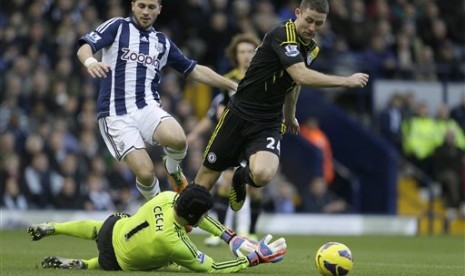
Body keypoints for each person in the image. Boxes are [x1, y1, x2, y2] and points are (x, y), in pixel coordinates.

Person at [192, 0, 369, 212]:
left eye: (319, 23)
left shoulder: (311, 49)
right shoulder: (282, 34)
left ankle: (241, 175)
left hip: (268, 121)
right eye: (309, 20)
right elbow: (300, 75)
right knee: (204, 183)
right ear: (298, 13)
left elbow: (293, 83)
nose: (312, 28)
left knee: (263, 175)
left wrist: (290, 114)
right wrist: (346, 81)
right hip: (238, 114)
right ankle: (182, 223)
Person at [76, 0, 238, 200]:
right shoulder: (117, 26)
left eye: (151, 7)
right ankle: (158, 210)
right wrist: (90, 61)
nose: (145, 11)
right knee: (146, 173)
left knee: (179, 140)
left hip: (146, 107)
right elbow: (85, 46)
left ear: (159, 9)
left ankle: (171, 167)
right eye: (141, 6)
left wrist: (231, 85)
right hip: (115, 114)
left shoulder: (162, 42)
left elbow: (194, 69)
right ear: (133, 5)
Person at [27, 184, 287, 272]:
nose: (206, 218)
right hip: (117, 261)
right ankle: (85, 265)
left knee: (97, 228)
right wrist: (253, 259)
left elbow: (195, 214)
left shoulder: (166, 197)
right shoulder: (174, 242)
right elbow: (213, 268)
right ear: (192, 217)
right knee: (150, 261)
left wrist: (228, 236)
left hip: (114, 226)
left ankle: (54, 226)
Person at [186, 33, 262, 246]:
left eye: (250, 51)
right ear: (235, 55)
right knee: (225, 183)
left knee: (256, 186)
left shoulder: (262, 77)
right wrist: (193, 134)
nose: (246, 56)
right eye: (242, 52)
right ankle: (220, 232)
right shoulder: (227, 81)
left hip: (255, 139)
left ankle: (251, 231)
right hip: (234, 140)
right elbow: (214, 113)